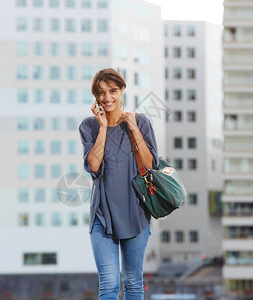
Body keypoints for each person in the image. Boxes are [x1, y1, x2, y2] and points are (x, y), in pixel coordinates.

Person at [78, 68, 159, 299]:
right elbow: (93, 166)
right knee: (109, 283)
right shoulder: (89, 126)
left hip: (136, 212)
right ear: (95, 96)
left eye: (113, 91)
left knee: (133, 283)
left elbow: (149, 165)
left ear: (122, 90)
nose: (107, 97)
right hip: (102, 215)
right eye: (101, 93)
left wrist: (133, 128)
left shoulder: (140, 122)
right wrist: (103, 127)